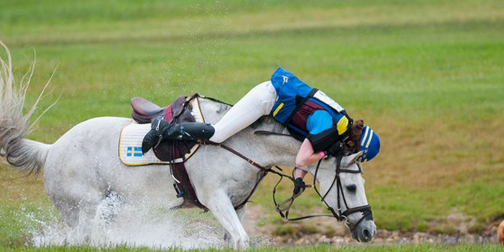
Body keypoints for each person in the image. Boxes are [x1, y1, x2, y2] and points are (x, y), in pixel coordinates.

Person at [142, 68, 380, 194]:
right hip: (266, 98)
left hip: (273, 98)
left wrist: (298, 179)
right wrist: (322, 156)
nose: (346, 153)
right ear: (352, 142)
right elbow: (303, 157)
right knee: (218, 133)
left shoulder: (340, 125)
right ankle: (164, 129)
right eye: (353, 150)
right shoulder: (331, 130)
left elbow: (304, 156)